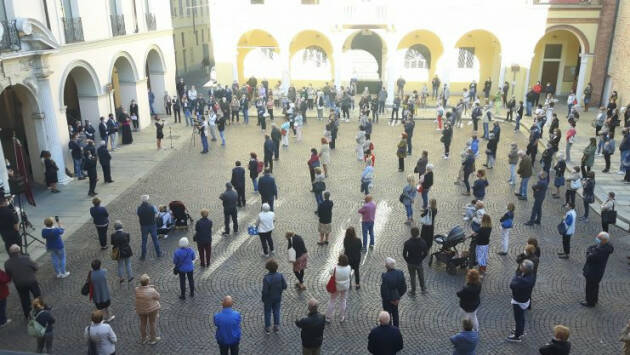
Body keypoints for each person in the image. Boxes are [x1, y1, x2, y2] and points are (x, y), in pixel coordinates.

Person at [4, 244, 40, 319]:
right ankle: (39, 310)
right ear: (19, 251)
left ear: (10, 253)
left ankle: (27, 314)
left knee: (24, 298)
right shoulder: (26, 258)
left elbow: (8, 274)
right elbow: (36, 267)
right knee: (36, 295)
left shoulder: (7, 263)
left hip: (19, 283)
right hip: (31, 281)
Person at [581, 232, 614, 308]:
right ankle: (594, 299)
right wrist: (591, 249)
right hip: (599, 271)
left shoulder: (600, 251)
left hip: (593, 271)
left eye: (599, 238)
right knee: (595, 286)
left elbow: (589, 257)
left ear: (603, 240)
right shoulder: (607, 245)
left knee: (590, 287)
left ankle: (589, 302)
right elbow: (593, 246)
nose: (597, 239)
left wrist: (589, 251)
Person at [506, 259, 535, 342]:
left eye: (522, 266)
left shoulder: (523, 280)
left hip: (519, 300)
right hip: (525, 299)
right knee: (521, 317)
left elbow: (512, 285)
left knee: (518, 318)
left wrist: (517, 276)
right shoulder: (531, 276)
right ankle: (520, 331)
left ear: (525, 269)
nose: (520, 266)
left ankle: (517, 336)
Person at [261, 259, 287, 334]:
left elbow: (265, 291)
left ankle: (268, 328)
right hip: (277, 297)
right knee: (276, 311)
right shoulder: (280, 276)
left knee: (267, 312)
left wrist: (263, 298)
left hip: (268, 299)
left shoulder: (266, 278)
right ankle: (276, 327)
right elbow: (285, 286)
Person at [380, 257, 407, 327]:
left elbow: (384, 292)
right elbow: (403, 287)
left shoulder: (385, 276)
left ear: (387, 266)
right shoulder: (400, 273)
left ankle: (388, 329)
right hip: (396, 298)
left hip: (388, 301)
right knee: (395, 314)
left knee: (388, 315)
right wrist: (398, 297)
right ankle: (396, 328)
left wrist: (390, 300)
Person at [135, 274, 161, 345]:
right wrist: (152, 288)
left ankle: (144, 338)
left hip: (141, 309)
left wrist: (149, 286)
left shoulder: (136, 290)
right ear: (148, 282)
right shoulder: (152, 291)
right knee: (152, 323)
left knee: (143, 323)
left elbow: (143, 288)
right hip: (151, 309)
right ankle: (153, 339)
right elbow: (158, 297)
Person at [325, 254, 351, 323]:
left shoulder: (335, 268)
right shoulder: (348, 267)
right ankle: (342, 317)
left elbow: (330, 272)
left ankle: (328, 317)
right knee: (343, 301)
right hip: (344, 287)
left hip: (336, 287)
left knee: (332, 301)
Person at [403, 227, 428, 296]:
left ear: (411, 233)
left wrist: (408, 260)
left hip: (411, 262)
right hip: (419, 262)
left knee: (412, 277)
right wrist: (421, 258)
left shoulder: (408, 243)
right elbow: (426, 253)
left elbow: (404, 254)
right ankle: (423, 289)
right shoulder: (423, 242)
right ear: (418, 233)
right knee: (421, 275)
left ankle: (413, 291)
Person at [137, 195, 161, 260]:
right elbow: (157, 214)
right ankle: (158, 253)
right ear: (147, 200)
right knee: (155, 240)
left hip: (144, 226)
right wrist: (154, 217)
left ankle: (143, 256)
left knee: (144, 242)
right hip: (152, 225)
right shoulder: (152, 207)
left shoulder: (139, 208)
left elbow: (138, 214)